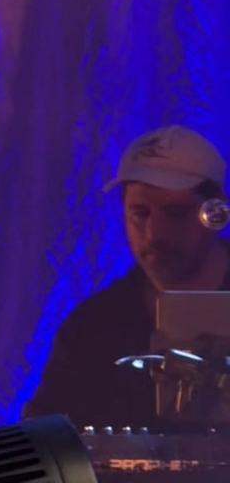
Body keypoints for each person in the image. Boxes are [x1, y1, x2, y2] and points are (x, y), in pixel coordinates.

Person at [25, 125, 230, 430]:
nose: (154, 234)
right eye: (140, 213)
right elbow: (47, 443)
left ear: (214, 214)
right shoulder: (92, 327)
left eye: (175, 214)